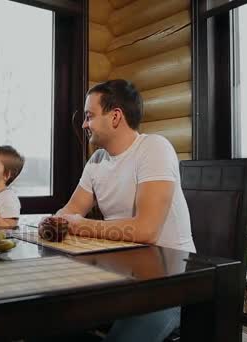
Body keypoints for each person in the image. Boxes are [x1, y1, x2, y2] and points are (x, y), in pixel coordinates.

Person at [55, 79, 195, 341]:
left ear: (116, 116)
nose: (84, 124)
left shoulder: (154, 148)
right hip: (120, 277)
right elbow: (71, 210)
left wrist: (78, 224)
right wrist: (53, 221)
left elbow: (146, 230)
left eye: (89, 116)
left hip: (169, 283)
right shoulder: (97, 160)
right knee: (50, 318)